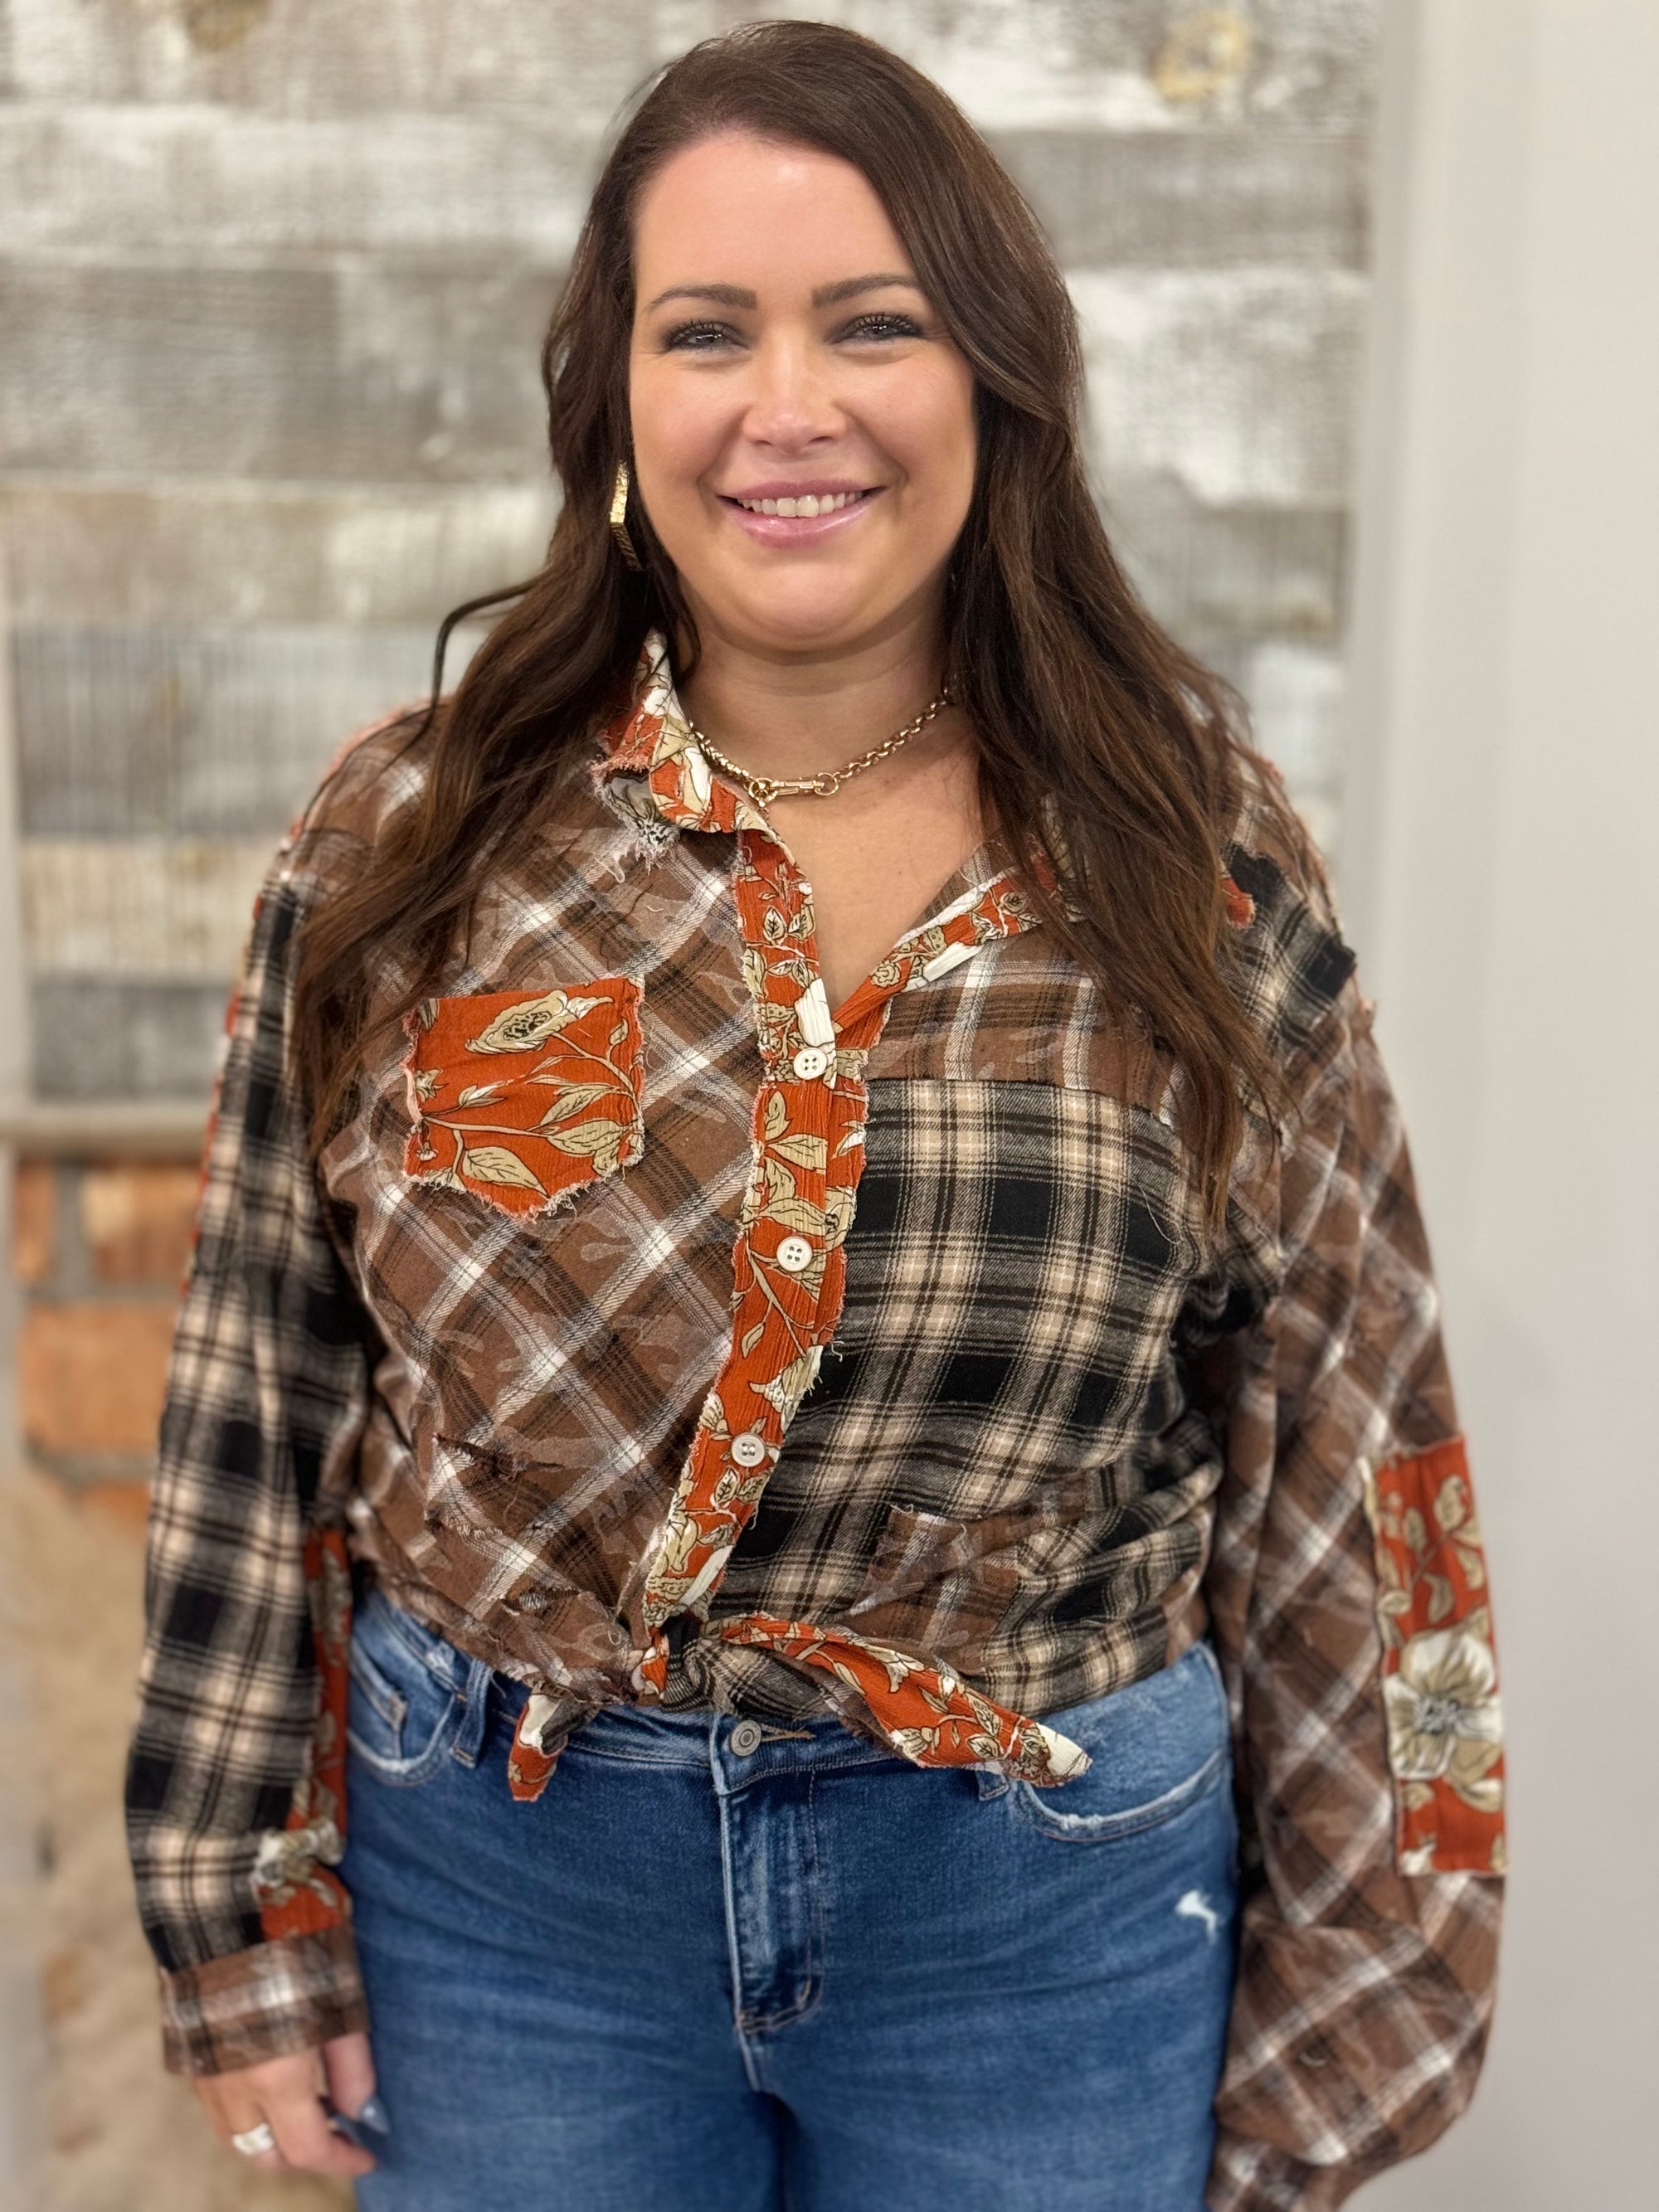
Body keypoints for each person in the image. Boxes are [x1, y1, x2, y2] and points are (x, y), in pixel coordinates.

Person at [124, 22, 1505, 2211]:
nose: (793, 406)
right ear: (614, 399)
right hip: (500, 1900)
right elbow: (254, 1397)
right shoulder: (415, 841)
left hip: (1042, 1910)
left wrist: (1388, 1956)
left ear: (992, 383)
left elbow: (1354, 1435)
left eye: (877, 324)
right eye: (708, 332)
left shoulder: (1191, 844)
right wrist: (234, 1909)